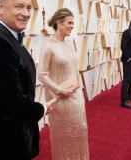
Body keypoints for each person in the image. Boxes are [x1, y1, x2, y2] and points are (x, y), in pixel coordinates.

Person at [0, 0, 56, 160]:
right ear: (0, 7)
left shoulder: (6, 38)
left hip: (12, 139)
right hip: (8, 145)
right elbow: (13, 102)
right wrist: (41, 109)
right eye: (19, 6)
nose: (25, 13)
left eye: (28, 7)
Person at [38, 8, 89, 159]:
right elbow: (41, 75)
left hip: (76, 96)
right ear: (58, 23)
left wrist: (77, 87)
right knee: (63, 135)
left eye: (73, 23)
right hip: (61, 99)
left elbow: (74, 68)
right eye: (70, 23)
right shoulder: (49, 47)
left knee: (81, 130)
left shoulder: (71, 41)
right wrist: (59, 90)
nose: (72, 26)